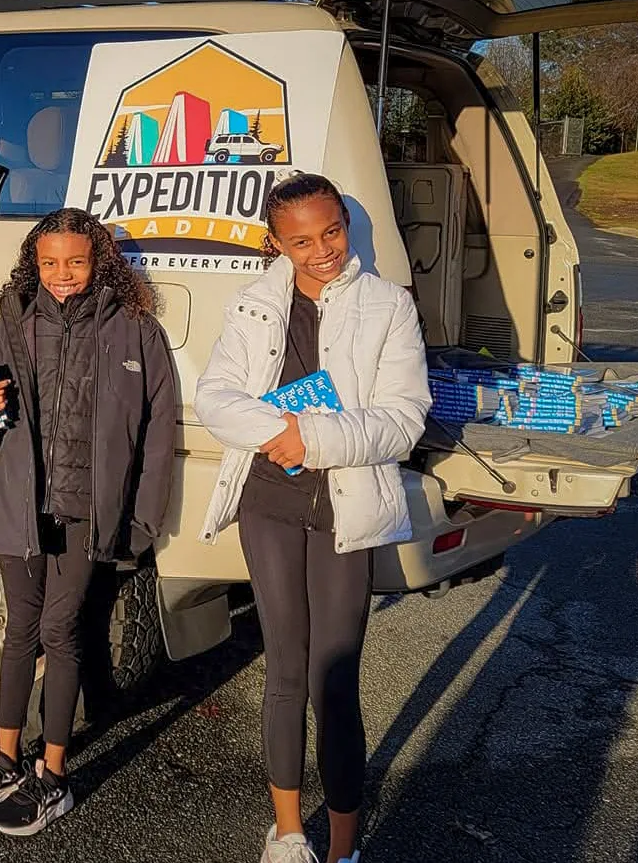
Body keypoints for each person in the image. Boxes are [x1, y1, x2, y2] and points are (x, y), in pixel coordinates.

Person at [192, 172, 431, 863]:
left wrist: (318, 439)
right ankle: (290, 833)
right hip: (269, 501)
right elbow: (217, 396)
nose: (321, 248)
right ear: (275, 242)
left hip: (346, 509)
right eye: (301, 239)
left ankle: (344, 847)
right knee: (286, 670)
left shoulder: (389, 306)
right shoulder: (252, 305)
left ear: (345, 224)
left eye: (331, 231)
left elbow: (403, 419)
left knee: (335, 676)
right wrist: (283, 431)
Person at [0, 207, 178, 837]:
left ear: (99, 260)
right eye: (49, 263)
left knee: (61, 630)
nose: (63, 274)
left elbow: (158, 433)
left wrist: (144, 518)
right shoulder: (12, 327)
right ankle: (4, 759)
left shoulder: (135, 330)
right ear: (32, 264)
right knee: (20, 629)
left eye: (75, 261)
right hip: (23, 506)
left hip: (88, 514)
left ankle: (53, 773)